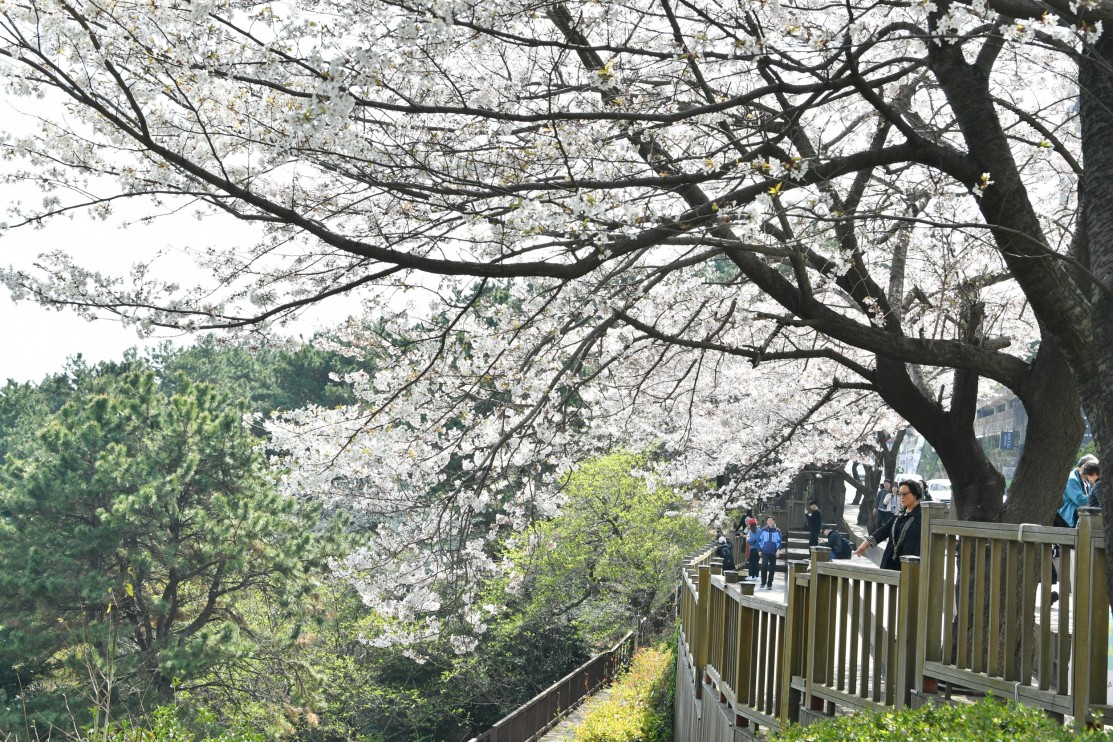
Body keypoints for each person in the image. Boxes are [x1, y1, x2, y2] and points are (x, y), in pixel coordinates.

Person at [854, 480, 923, 571]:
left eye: (905, 494)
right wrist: (865, 544)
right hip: (891, 561)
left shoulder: (922, 516)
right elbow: (884, 530)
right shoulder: (899, 514)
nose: (901, 497)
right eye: (899, 494)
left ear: (915, 495)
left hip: (911, 566)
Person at [1056, 455, 1099, 528]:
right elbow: (1080, 500)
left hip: (1079, 516)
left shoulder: (1085, 480)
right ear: (1084, 466)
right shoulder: (1071, 479)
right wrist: (1097, 498)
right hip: (1069, 520)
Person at [757, 516, 783, 590]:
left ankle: (769, 584)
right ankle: (763, 582)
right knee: (764, 566)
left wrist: (778, 550)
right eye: (768, 520)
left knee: (772, 568)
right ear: (767, 522)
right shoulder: (763, 530)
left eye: (771, 520)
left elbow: (779, 541)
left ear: (774, 521)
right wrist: (759, 550)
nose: (770, 522)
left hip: (773, 552)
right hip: (765, 551)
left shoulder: (777, 531)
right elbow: (759, 540)